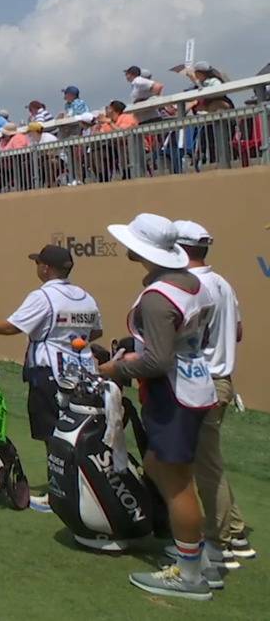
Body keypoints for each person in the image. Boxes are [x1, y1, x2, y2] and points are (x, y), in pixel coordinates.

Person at [96, 213, 218, 599]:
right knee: (159, 467)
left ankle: (191, 574)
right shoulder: (195, 284)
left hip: (173, 392)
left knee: (176, 481)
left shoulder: (157, 298)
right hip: (194, 385)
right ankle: (195, 553)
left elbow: (158, 360)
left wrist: (117, 367)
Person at [0, 244, 100, 511]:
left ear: (46, 268)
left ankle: (58, 493)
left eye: (38, 263)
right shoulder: (85, 297)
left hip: (49, 373)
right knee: (79, 431)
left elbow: (13, 326)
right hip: (83, 373)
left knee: (53, 435)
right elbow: (96, 332)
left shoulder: (43, 297)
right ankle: (80, 487)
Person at [176, 220, 254, 568]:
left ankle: (217, 541)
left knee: (204, 467)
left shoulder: (195, 287)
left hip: (202, 382)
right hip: (221, 379)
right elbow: (236, 331)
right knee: (209, 462)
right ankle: (235, 532)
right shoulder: (222, 283)